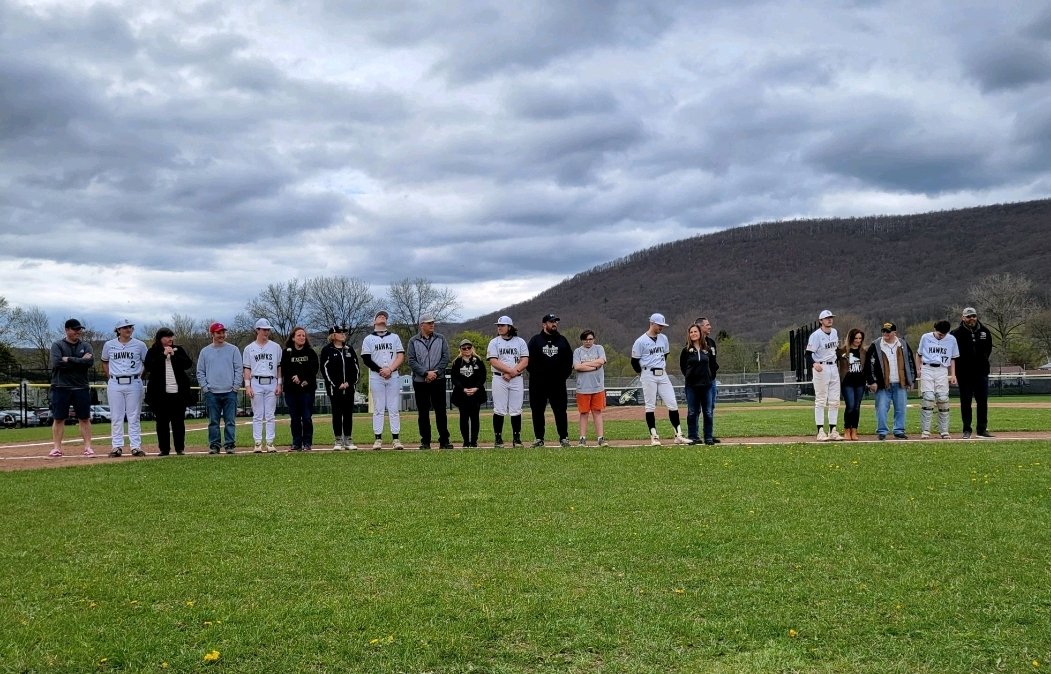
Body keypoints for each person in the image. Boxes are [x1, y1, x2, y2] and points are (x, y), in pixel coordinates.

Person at [630, 313, 686, 445]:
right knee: (650, 406)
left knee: (672, 403)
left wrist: (660, 367)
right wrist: (642, 374)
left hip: (662, 374)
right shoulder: (640, 341)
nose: (661, 327)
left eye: (662, 325)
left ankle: (678, 434)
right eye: (659, 325)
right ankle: (654, 436)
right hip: (648, 373)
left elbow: (665, 355)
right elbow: (634, 361)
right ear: (652, 323)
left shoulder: (663, 338)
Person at [47, 318, 97, 457]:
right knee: (59, 418)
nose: (78, 332)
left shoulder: (86, 345)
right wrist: (80, 361)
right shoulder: (57, 345)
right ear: (67, 330)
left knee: (84, 418)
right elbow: (57, 363)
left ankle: (88, 447)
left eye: (80, 329)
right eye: (75, 329)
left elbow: (90, 362)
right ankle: (57, 448)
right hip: (60, 386)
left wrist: (68, 359)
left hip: (81, 387)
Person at [100, 319, 149, 457]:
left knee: (134, 416)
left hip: (134, 381)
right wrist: (109, 376)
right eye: (125, 327)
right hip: (115, 382)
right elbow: (104, 362)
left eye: (130, 327)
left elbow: (147, 362)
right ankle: (116, 446)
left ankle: (135, 446)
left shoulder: (140, 345)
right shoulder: (109, 345)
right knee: (116, 416)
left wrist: (140, 375)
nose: (128, 329)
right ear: (118, 330)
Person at [526, 313, 574, 447]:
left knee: (560, 411)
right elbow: (528, 361)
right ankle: (539, 438)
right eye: (551, 321)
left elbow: (568, 360)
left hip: (557, 383)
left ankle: (564, 437)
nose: (554, 324)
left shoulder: (562, 340)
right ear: (544, 324)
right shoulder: (535, 340)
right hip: (538, 383)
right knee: (537, 411)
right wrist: (538, 375)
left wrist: (562, 376)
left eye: (556, 321)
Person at [144, 327, 193, 456]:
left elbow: (188, 364)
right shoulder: (153, 351)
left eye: (171, 336)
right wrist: (163, 355)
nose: (170, 339)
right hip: (160, 395)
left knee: (178, 422)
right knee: (162, 422)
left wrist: (174, 355)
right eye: (167, 337)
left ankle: (179, 448)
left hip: (178, 393)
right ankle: (164, 449)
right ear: (160, 339)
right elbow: (149, 366)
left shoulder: (179, 350)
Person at [863, 322, 916, 441]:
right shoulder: (876, 345)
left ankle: (899, 430)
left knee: (901, 408)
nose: (885, 334)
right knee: (881, 408)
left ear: (894, 332)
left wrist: (911, 379)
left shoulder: (903, 344)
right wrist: (872, 381)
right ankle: (882, 431)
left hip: (900, 382)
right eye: (883, 331)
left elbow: (910, 362)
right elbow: (868, 365)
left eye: (888, 331)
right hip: (882, 384)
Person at [361, 310, 405, 450]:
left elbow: (400, 356)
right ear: (374, 322)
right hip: (376, 376)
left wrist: (390, 369)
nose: (382, 317)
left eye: (385, 316)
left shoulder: (395, 337)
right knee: (378, 408)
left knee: (393, 408)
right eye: (379, 316)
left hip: (393, 375)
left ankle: (396, 439)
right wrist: (381, 370)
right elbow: (366, 359)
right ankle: (378, 439)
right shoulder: (368, 339)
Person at [407, 314, 452, 449]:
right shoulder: (413, 341)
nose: (432, 325)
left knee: (441, 411)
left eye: (433, 322)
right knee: (423, 412)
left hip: (438, 380)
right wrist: (425, 373)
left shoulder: (441, 339)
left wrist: (435, 373)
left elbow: (445, 357)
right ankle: (425, 441)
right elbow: (411, 360)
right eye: (429, 323)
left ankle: (444, 441)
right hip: (420, 381)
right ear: (422, 325)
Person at [197, 322, 243, 454]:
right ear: (212, 334)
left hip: (230, 392)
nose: (221, 335)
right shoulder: (205, 352)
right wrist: (205, 388)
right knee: (213, 422)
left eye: (223, 332)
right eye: (218, 333)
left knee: (230, 421)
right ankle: (214, 445)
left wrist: (235, 387)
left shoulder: (233, 350)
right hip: (212, 393)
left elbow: (238, 369)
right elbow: (200, 372)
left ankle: (229, 445)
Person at [486, 315, 529, 448]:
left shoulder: (520, 341)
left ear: (509, 327)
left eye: (502, 325)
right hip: (499, 378)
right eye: (498, 326)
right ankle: (498, 439)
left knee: (516, 409)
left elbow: (525, 360)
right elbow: (494, 361)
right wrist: (509, 371)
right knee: (499, 409)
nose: (499, 327)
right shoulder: (494, 342)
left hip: (516, 378)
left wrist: (512, 373)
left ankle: (517, 438)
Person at [951, 307, 994, 438]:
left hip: (981, 373)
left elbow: (988, 349)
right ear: (963, 318)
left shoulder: (985, 331)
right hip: (964, 374)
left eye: (974, 316)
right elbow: (953, 353)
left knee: (982, 402)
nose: (972, 319)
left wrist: (983, 363)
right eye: (968, 316)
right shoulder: (956, 333)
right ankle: (967, 429)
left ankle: (982, 429)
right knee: (966, 402)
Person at [915, 320, 960, 440]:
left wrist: (953, 374)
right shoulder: (925, 337)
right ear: (935, 330)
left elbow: (953, 358)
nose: (942, 336)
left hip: (942, 369)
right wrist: (918, 368)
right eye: (940, 334)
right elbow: (918, 354)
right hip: (927, 368)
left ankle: (944, 431)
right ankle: (925, 431)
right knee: (928, 398)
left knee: (943, 399)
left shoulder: (951, 339)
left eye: (944, 334)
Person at [243, 318, 283, 453]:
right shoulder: (249, 348)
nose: (266, 332)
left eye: (268, 330)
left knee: (270, 414)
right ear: (257, 330)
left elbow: (278, 366)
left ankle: (270, 442)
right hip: (256, 382)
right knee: (258, 414)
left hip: (271, 381)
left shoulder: (275, 347)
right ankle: (258, 442)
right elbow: (247, 368)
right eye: (264, 329)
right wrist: (248, 386)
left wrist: (279, 383)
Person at [320, 326, 360, 450]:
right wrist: (337, 384)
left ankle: (348, 439)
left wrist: (350, 383)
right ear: (333, 335)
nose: (343, 335)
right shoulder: (327, 350)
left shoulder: (349, 350)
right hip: (335, 389)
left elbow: (356, 369)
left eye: (344, 333)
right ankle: (338, 440)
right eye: (340, 333)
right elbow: (325, 370)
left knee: (348, 414)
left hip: (349, 388)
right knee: (337, 414)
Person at [806, 310, 842, 441]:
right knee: (821, 400)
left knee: (834, 401)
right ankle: (820, 431)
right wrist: (814, 364)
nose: (830, 320)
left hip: (833, 367)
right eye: (826, 318)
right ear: (820, 321)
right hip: (821, 367)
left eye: (831, 317)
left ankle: (833, 430)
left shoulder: (835, 332)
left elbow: (835, 349)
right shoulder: (816, 335)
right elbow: (808, 354)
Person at [281, 326, 319, 451]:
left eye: (303, 335)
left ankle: (307, 442)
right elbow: (285, 368)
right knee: (295, 418)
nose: (302, 337)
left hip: (306, 390)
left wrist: (301, 378)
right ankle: (296, 442)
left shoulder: (310, 352)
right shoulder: (287, 352)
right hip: (291, 390)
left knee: (307, 417)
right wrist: (294, 377)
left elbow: (313, 369)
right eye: (299, 335)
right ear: (293, 337)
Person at [679, 323, 715, 445]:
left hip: (706, 385)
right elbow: (683, 367)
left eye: (696, 331)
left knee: (708, 412)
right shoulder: (686, 351)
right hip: (692, 386)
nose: (694, 334)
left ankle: (708, 437)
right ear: (689, 335)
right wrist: (690, 377)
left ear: (700, 333)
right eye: (691, 332)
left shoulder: (707, 349)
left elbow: (712, 365)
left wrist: (709, 377)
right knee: (692, 412)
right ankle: (693, 436)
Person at [450, 339, 487, 447]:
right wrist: (463, 389)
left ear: (472, 348)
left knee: (475, 418)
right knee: (463, 418)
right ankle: (466, 441)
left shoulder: (478, 361)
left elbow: (482, 376)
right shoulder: (456, 362)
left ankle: (474, 441)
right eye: (464, 348)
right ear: (460, 349)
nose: (466, 350)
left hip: (476, 394)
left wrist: (476, 388)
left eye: (469, 347)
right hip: (462, 394)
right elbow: (454, 378)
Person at [573, 330, 607, 447]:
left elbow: (602, 361)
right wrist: (594, 367)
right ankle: (582, 439)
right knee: (584, 413)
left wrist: (585, 365)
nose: (588, 341)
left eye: (590, 339)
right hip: (583, 388)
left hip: (597, 387)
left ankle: (600, 438)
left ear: (594, 339)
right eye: (586, 339)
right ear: (582, 340)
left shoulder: (599, 348)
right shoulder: (578, 351)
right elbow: (577, 366)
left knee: (597, 412)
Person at [694, 317, 721, 442]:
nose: (710, 327)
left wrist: (713, 373)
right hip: (697, 382)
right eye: (707, 325)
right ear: (700, 327)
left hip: (711, 381)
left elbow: (713, 362)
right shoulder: (693, 344)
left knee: (710, 409)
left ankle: (708, 435)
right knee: (695, 409)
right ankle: (694, 435)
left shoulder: (711, 342)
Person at [838, 328, 867, 441]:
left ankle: (854, 430)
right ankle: (847, 429)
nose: (858, 340)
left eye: (860, 338)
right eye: (856, 338)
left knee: (856, 407)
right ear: (851, 338)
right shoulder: (842, 351)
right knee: (850, 406)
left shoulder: (864, 352)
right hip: (847, 382)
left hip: (860, 382)